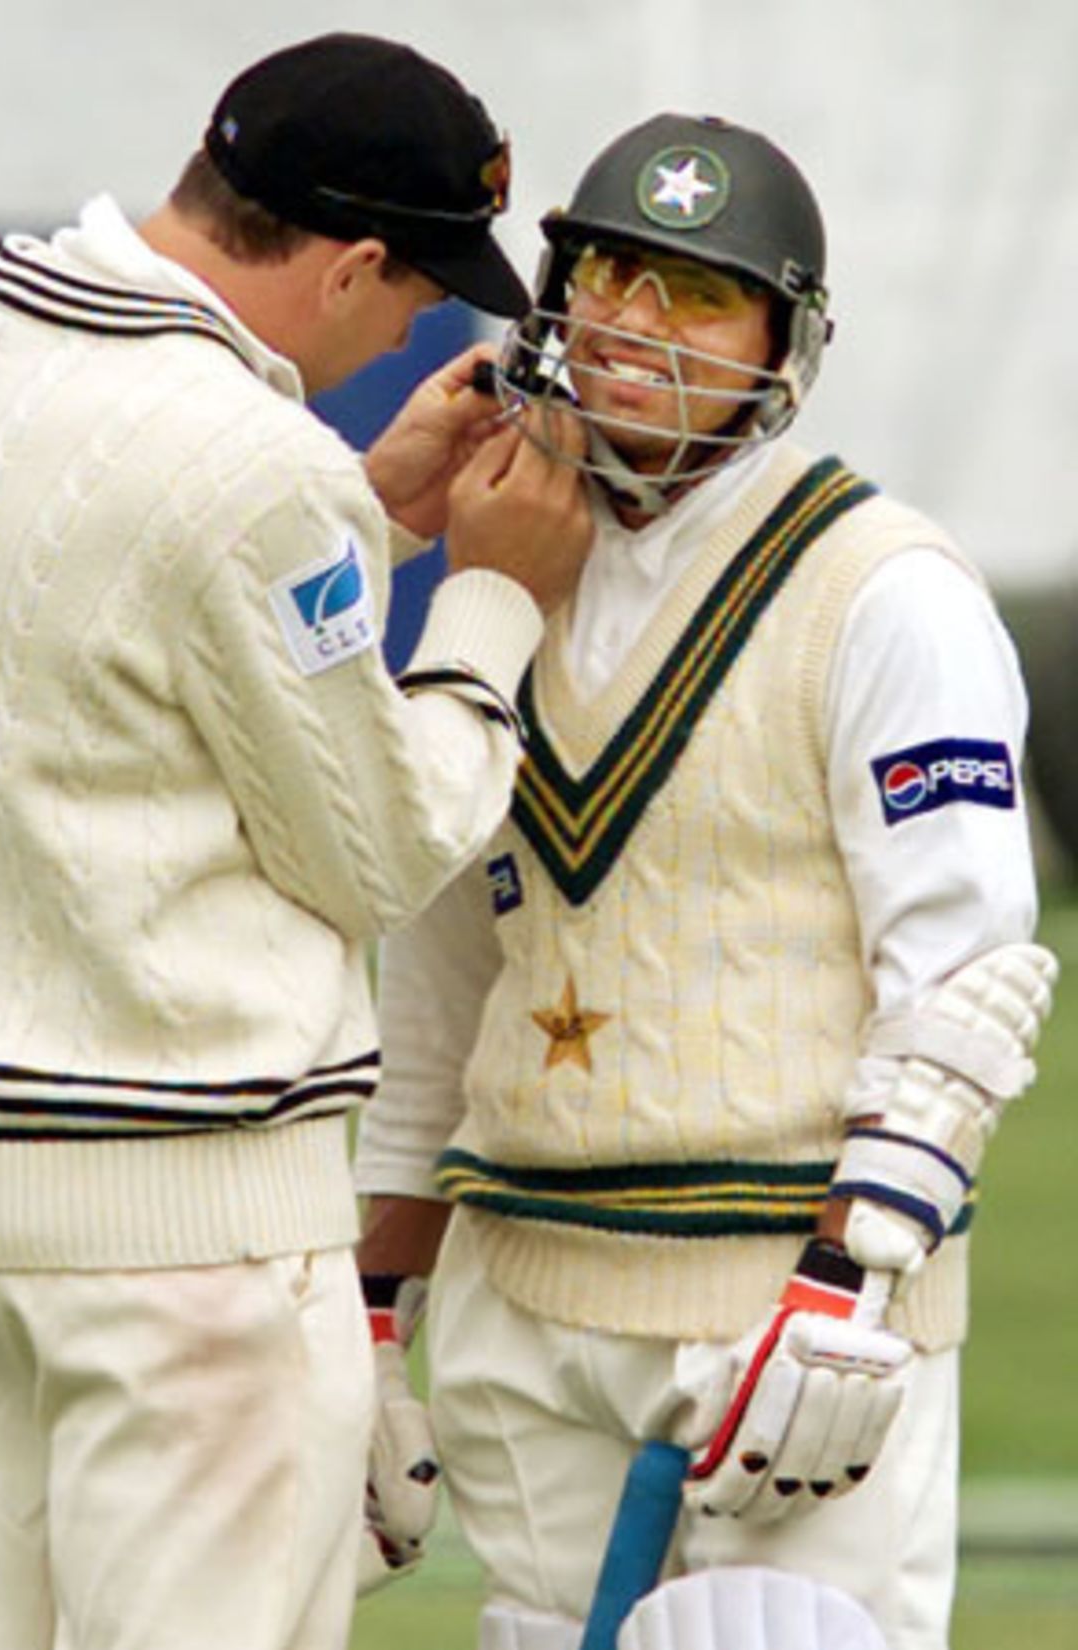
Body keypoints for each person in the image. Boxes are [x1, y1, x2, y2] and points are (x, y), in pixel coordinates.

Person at [0, 32, 594, 1650]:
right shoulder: (252, 466)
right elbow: (381, 851)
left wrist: (369, 512)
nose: (411, 331)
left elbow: (98, 623)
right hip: (187, 1239)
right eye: (414, 295)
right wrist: (495, 596)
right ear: (354, 261)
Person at [354, 112, 1058, 1650]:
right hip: (524, 1281)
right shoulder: (500, 563)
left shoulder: (886, 589)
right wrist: (373, 1306)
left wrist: (845, 1278)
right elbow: (436, 980)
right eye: (607, 272)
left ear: (784, 341)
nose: (631, 325)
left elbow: (966, 971)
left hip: (785, 1296)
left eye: (693, 295)